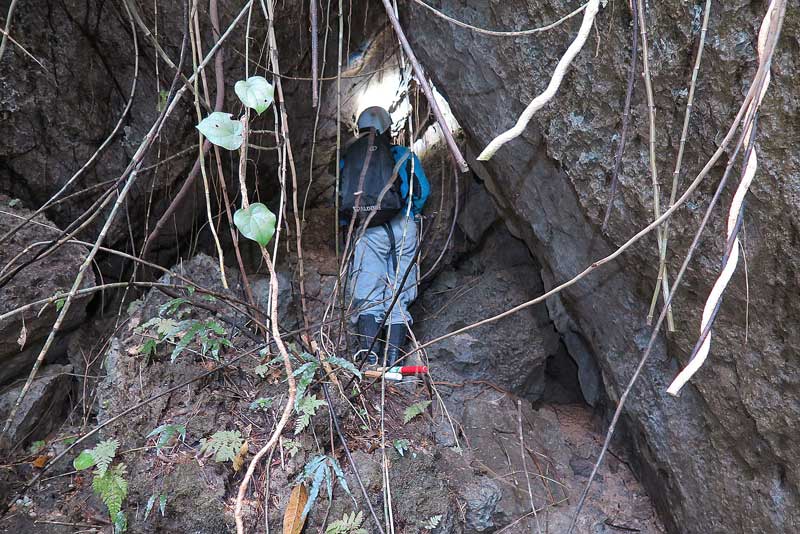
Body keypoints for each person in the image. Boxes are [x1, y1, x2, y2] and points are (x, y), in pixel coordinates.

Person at [339, 106, 429, 367]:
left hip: (368, 230)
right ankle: (394, 357)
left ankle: (369, 357)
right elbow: (422, 190)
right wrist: (411, 213)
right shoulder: (402, 155)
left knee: (368, 290)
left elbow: (342, 198)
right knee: (399, 287)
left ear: (361, 129)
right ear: (388, 129)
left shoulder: (349, 157)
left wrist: (349, 225)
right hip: (403, 226)